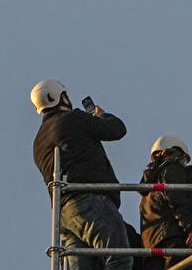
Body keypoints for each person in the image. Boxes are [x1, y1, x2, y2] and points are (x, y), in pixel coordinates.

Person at [30, 79, 133, 270]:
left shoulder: (38, 142)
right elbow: (117, 129)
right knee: (119, 258)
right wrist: (101, 116)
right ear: (58, 98)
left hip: (63, 215)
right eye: (65, 95)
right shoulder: (72, 119)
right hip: (89, 201)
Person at [138, 135, 192, 269]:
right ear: (177, 153)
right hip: (173, 240)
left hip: (151, 248)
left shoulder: (147, 189)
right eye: (184, 159)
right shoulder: (172, 170)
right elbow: (177, 199)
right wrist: (190, 227)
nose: (184, 163)